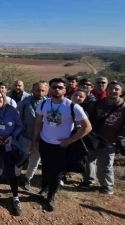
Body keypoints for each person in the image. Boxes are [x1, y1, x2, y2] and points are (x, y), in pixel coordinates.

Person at [31, 78, 92, 212]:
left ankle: (51, 197)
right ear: (49, 89)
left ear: (65, 90)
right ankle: (44, 189)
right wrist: (35, 142)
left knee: (57, 172)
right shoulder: (43, 104)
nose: (56, 90)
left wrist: (70, 141)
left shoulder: (72, 106)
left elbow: (87, 127)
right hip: (45, 142)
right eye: (53, 87)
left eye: (59, 87)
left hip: (62, 146)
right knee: (46, 168)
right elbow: (38, 124)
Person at [82, 81, 125, 194]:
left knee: (105, 165)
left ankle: (107, 186)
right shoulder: (96, 104)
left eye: (116, 89)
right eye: (110, 88)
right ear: (107, 90)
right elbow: (87, 118)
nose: (113, 91)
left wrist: (117, 137)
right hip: (93, 139)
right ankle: (87, 182)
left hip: (109, 141)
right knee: (88, 161)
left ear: (122, 92)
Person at [0, 91, 24, 216]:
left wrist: (12, 136)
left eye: (0, 97)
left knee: (10, 170)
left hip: (9, 143)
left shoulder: (12, 110)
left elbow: (20, 126)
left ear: (4, 98)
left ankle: (15, 197)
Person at [17, 81, 48, 192]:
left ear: (46, 91)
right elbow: (18, 119)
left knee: (35, 160)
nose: (40, 93)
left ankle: (27, 179)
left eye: (42, 90)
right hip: (25, 137)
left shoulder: (49, 104)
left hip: (41, 138)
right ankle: (16, 177)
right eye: (37, 90)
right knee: (20, 158)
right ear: (32, 90)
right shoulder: (24, 103)